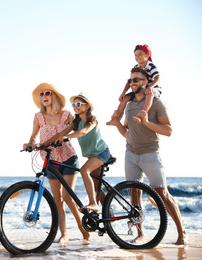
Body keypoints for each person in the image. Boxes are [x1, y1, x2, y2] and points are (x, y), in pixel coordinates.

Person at [112, 67, 187, 245]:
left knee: (162, 193)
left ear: (146, 82)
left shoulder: (157, 102)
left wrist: (146, 122)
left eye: (136, 80)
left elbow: (168, 130)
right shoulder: (129, 105)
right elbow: (127, 133)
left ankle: (181, 232)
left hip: (151, 153)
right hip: (130, 154)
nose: (132, 83)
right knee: (134, 194)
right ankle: (140, 234)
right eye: (131, 80)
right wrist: (117, 124)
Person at [23, 83, 90, 242]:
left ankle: (83, 229)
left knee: (68, 197)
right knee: (57, 200)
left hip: (68, 157)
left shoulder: (66, 115)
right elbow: (33, 136)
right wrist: (30, 143)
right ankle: (64, 234)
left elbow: (79, 127)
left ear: (54, 97)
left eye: (48, 93)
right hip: (50, 161)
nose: (44, 96)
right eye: (41, 94)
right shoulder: (38, 117)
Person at [50, 92, 111, 213]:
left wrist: (68, 137)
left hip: (101, 152)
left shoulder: (93, 121)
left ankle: (93, 203)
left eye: (78, 104)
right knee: (96, 185)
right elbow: (60, 134)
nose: (75, 107)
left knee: (84, 171)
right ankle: (108, 213)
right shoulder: (76, 123)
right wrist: (41, 145)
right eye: (73, 104)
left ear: (87, 106)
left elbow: (84, 132)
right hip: (92, 156)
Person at [107, 44, 161, 125]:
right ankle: (116, 118)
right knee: (125, 98)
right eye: (135, 55)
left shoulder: (150, 66)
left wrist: (150, 87)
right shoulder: (136, 67)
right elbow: (130, 82)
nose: (137, 56)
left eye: (140, 54)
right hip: (140, 89)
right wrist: (123, 92)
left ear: (147, 55)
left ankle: (142, 115)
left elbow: (158, 78)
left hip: (153, 88)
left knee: (150, 94)